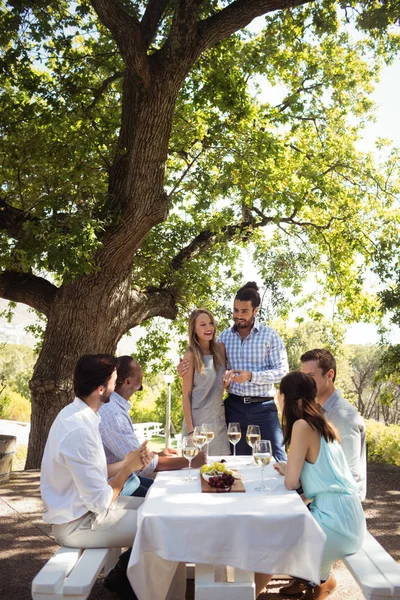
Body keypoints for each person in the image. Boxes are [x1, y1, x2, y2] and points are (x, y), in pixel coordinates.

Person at [40, 354, 152, 600]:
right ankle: (136, 587)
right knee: (159, 527)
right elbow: (101, 502)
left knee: (157, 507)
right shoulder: (79, 428)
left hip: (85, 510)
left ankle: (128, 580)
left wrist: (130, 461)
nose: (116, 385)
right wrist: (127, 469)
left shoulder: (80, 414)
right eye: (114, 380)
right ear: (101, 389)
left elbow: (96, 470)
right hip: (76, 523)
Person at [255, 371, 366, 599]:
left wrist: (289, 471)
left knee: (269, 546)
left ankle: (251, 593)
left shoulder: (302, 427)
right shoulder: (322, 423)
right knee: (278, 535)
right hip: (349, 516)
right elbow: (320, 474)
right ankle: (319, 581)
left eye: (279, 393)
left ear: (285, 397)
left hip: (333, 522)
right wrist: (290, 468)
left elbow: (290, 483)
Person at [179, 282, 288, 460]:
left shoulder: (269, 336)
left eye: (244, 311)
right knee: (238, 461)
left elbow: (282, 371)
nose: (238, 315)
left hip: (263, 408)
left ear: (255, 311)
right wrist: (184, 369)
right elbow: (208, 371)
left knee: (276, 457)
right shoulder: (224, 339)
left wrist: (251, 376)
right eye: (235, 310)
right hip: (234, 408)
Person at [99, 355, 206, 479]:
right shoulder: (113, 413)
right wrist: (190, 461)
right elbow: (141, 463)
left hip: (126, 479)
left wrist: (158, 454)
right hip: (116, 486)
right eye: (139, 370)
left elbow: (134, 455)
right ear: (128, 382)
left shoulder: (116, 407)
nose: (143, 373)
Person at [300, 348, 367, 501]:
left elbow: (348, 475)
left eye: (310, 377)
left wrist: (306, 498)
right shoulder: (320, 410)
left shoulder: (343, 416)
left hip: (340, 506)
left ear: (329, 375)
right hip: (325, 498)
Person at [181, 309, 230, 455]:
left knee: (222, 470)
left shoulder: (221, 349)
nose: (208, 328)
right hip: (197, 424)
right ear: (194, 329)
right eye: (202, 325)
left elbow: (220, 386)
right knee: (196, 472)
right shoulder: (190, 355)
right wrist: (190, 432)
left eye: (210, 323)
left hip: (218, 420)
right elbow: (186, 396)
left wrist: (227, 383)